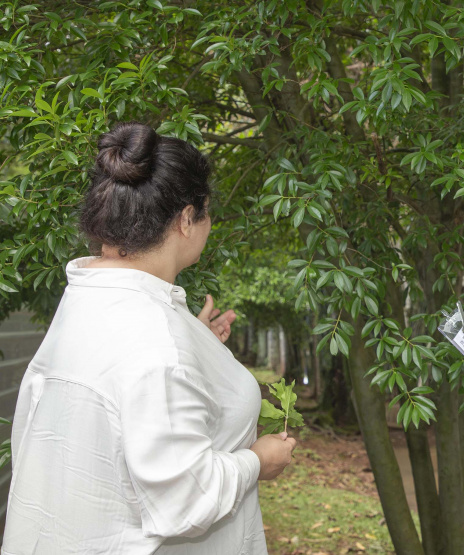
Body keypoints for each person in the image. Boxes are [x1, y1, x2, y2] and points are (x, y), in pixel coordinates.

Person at [1, 122, 296, 555]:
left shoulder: (90, 294)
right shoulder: (158, 346)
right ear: (185, 220)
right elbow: (185, 502)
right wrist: (258, 461)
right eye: (207, 212)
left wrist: (194, 343)